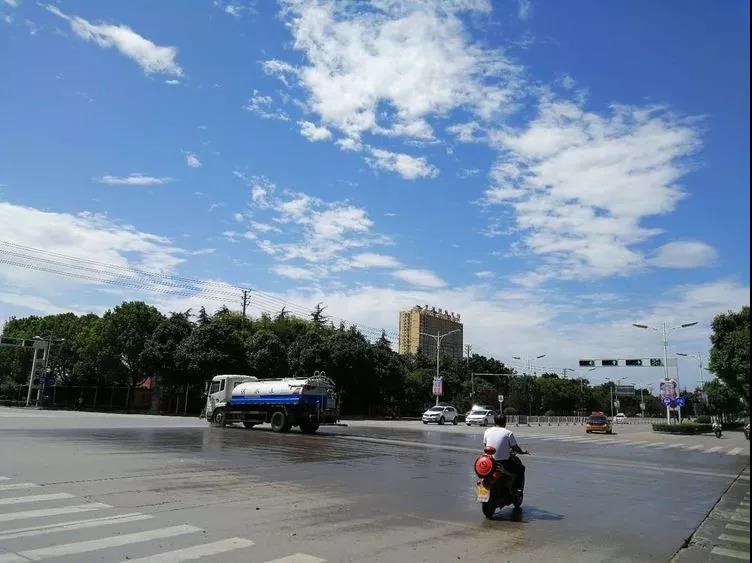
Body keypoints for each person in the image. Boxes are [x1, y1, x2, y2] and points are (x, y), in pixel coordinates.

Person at [483, 414, 528, 492]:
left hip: (489, 462)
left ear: (494, 421)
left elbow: (485, 446)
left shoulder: (487, 431)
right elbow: (515, 448)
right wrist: (523, 452)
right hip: (503, 463)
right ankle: (518, 489)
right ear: (505, 422)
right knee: (521, 468)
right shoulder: (508, 433)